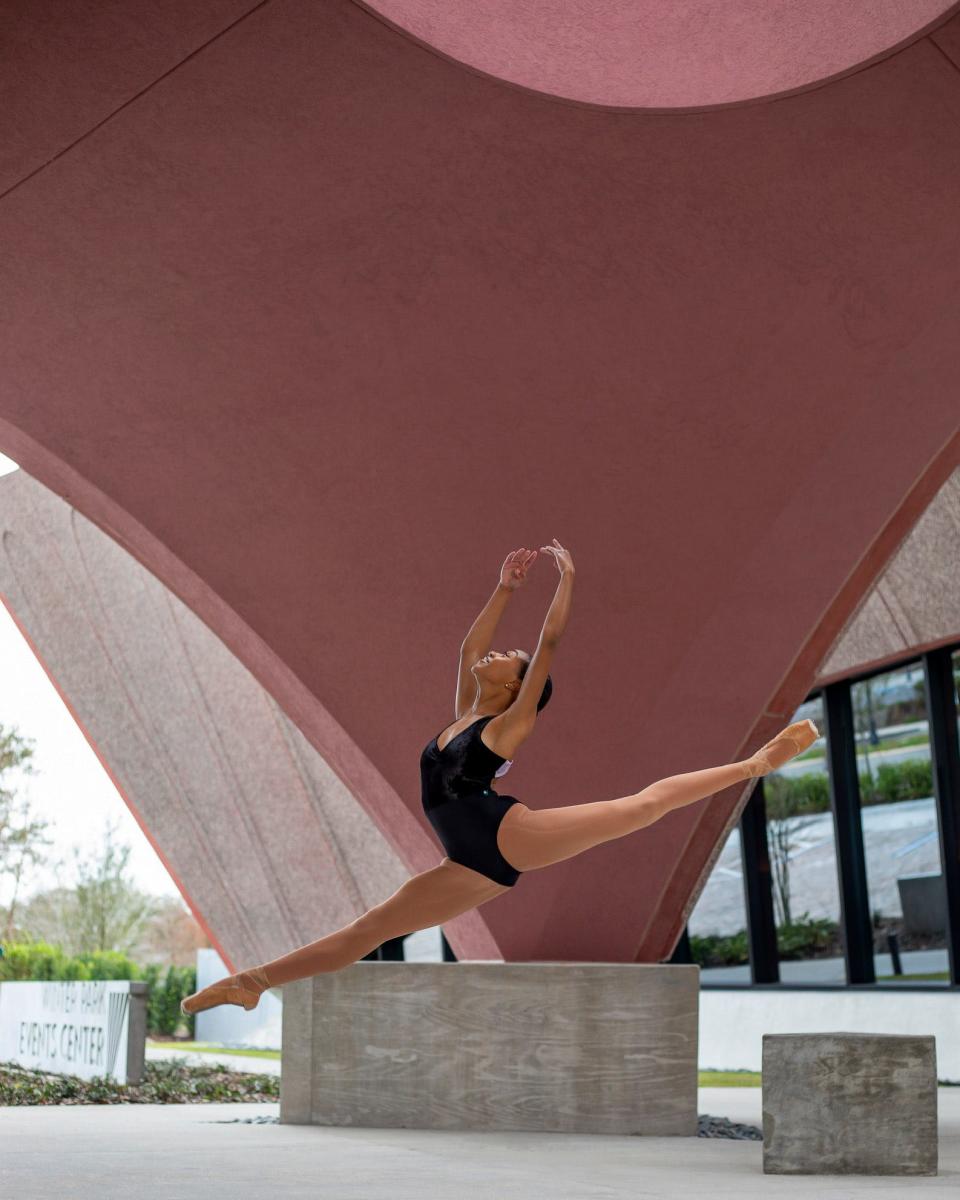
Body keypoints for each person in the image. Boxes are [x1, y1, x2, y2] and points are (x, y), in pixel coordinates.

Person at [182, 539, 817, 1014]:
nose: (495, 653)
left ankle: (757, 763)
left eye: (506, 657)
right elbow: (466, 650)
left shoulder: (505, 729)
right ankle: (254, 983)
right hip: (471, 864)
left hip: (504, 832)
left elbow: (550, 646)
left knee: (639, 808)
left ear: (515, 685)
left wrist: (566, 581)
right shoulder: (464, 715)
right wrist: (505, 588)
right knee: (369, 928)